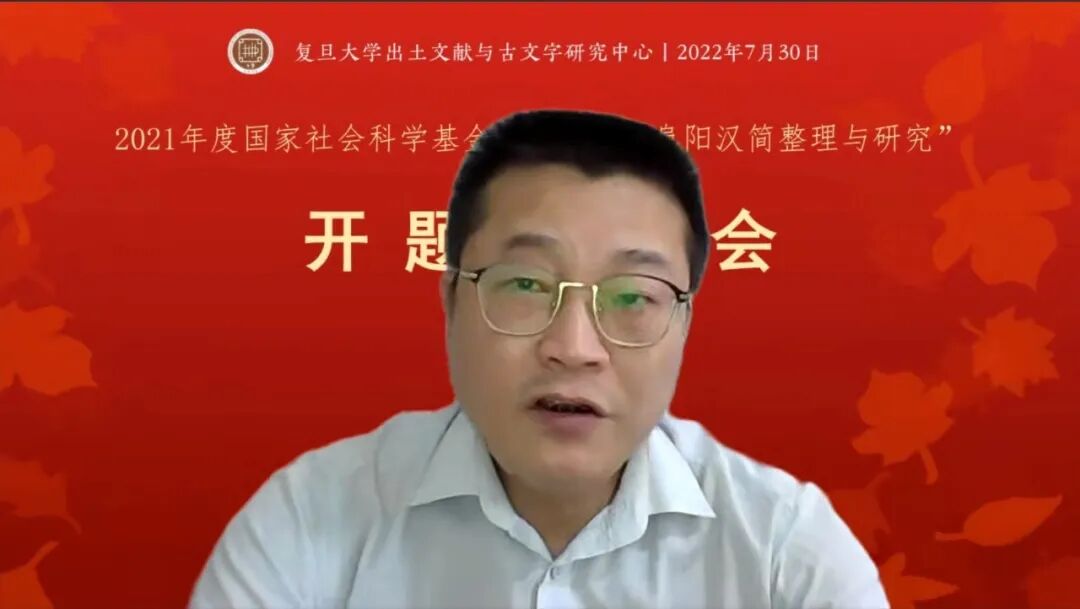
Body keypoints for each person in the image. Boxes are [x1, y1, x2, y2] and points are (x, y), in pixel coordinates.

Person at [188, 109, 889, 609]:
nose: (574, 348)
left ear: (684, 324)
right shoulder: (311, 519)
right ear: (452, 303)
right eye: (525, 285)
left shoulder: (782, 550)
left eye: (632, 296)